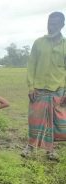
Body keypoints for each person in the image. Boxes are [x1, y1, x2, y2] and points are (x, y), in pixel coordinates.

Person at [22, 12, 66, 161]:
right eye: (49, 23)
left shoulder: (65, 45)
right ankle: (30, 146)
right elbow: (31, 64)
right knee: (34, 120)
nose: (50, 26)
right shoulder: (38, 43)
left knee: (53, 122)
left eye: (54, 24)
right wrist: (31, 86)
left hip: (58, 89)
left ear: (62, 25)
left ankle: (50, 150)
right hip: (38, 89)